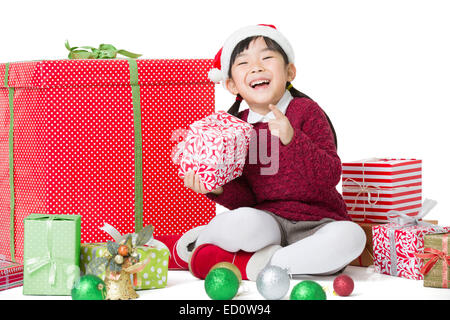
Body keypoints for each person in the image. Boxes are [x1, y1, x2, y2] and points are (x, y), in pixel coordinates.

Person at [176, 24, 365, 281]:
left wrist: (292, 139)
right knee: (241, 221)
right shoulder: (235, 127)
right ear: (232, 85)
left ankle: (258, 264)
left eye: (267, 58)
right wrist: (218, 188)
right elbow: (245, 199)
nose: (256, 67)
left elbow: (330, 174)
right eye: (244, 63)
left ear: (289, 72)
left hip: (319, 222)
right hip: (267, 223)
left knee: (352, 237)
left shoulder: (306, 111)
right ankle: (196, 244)